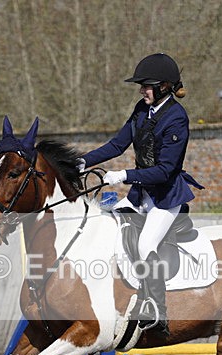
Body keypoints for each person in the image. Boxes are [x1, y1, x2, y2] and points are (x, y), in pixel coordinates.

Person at [77, 53, 203, 336]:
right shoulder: (141, 109)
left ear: (164, 86)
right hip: (140, 196)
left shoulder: (176, 118)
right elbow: (117, 144)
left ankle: (158, 314)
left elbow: (165, 170)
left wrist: (123, 176)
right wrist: (83, 162)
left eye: (146, 85)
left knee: (146, 245)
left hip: (165, 198)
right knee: (107, 228)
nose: (141, 90)